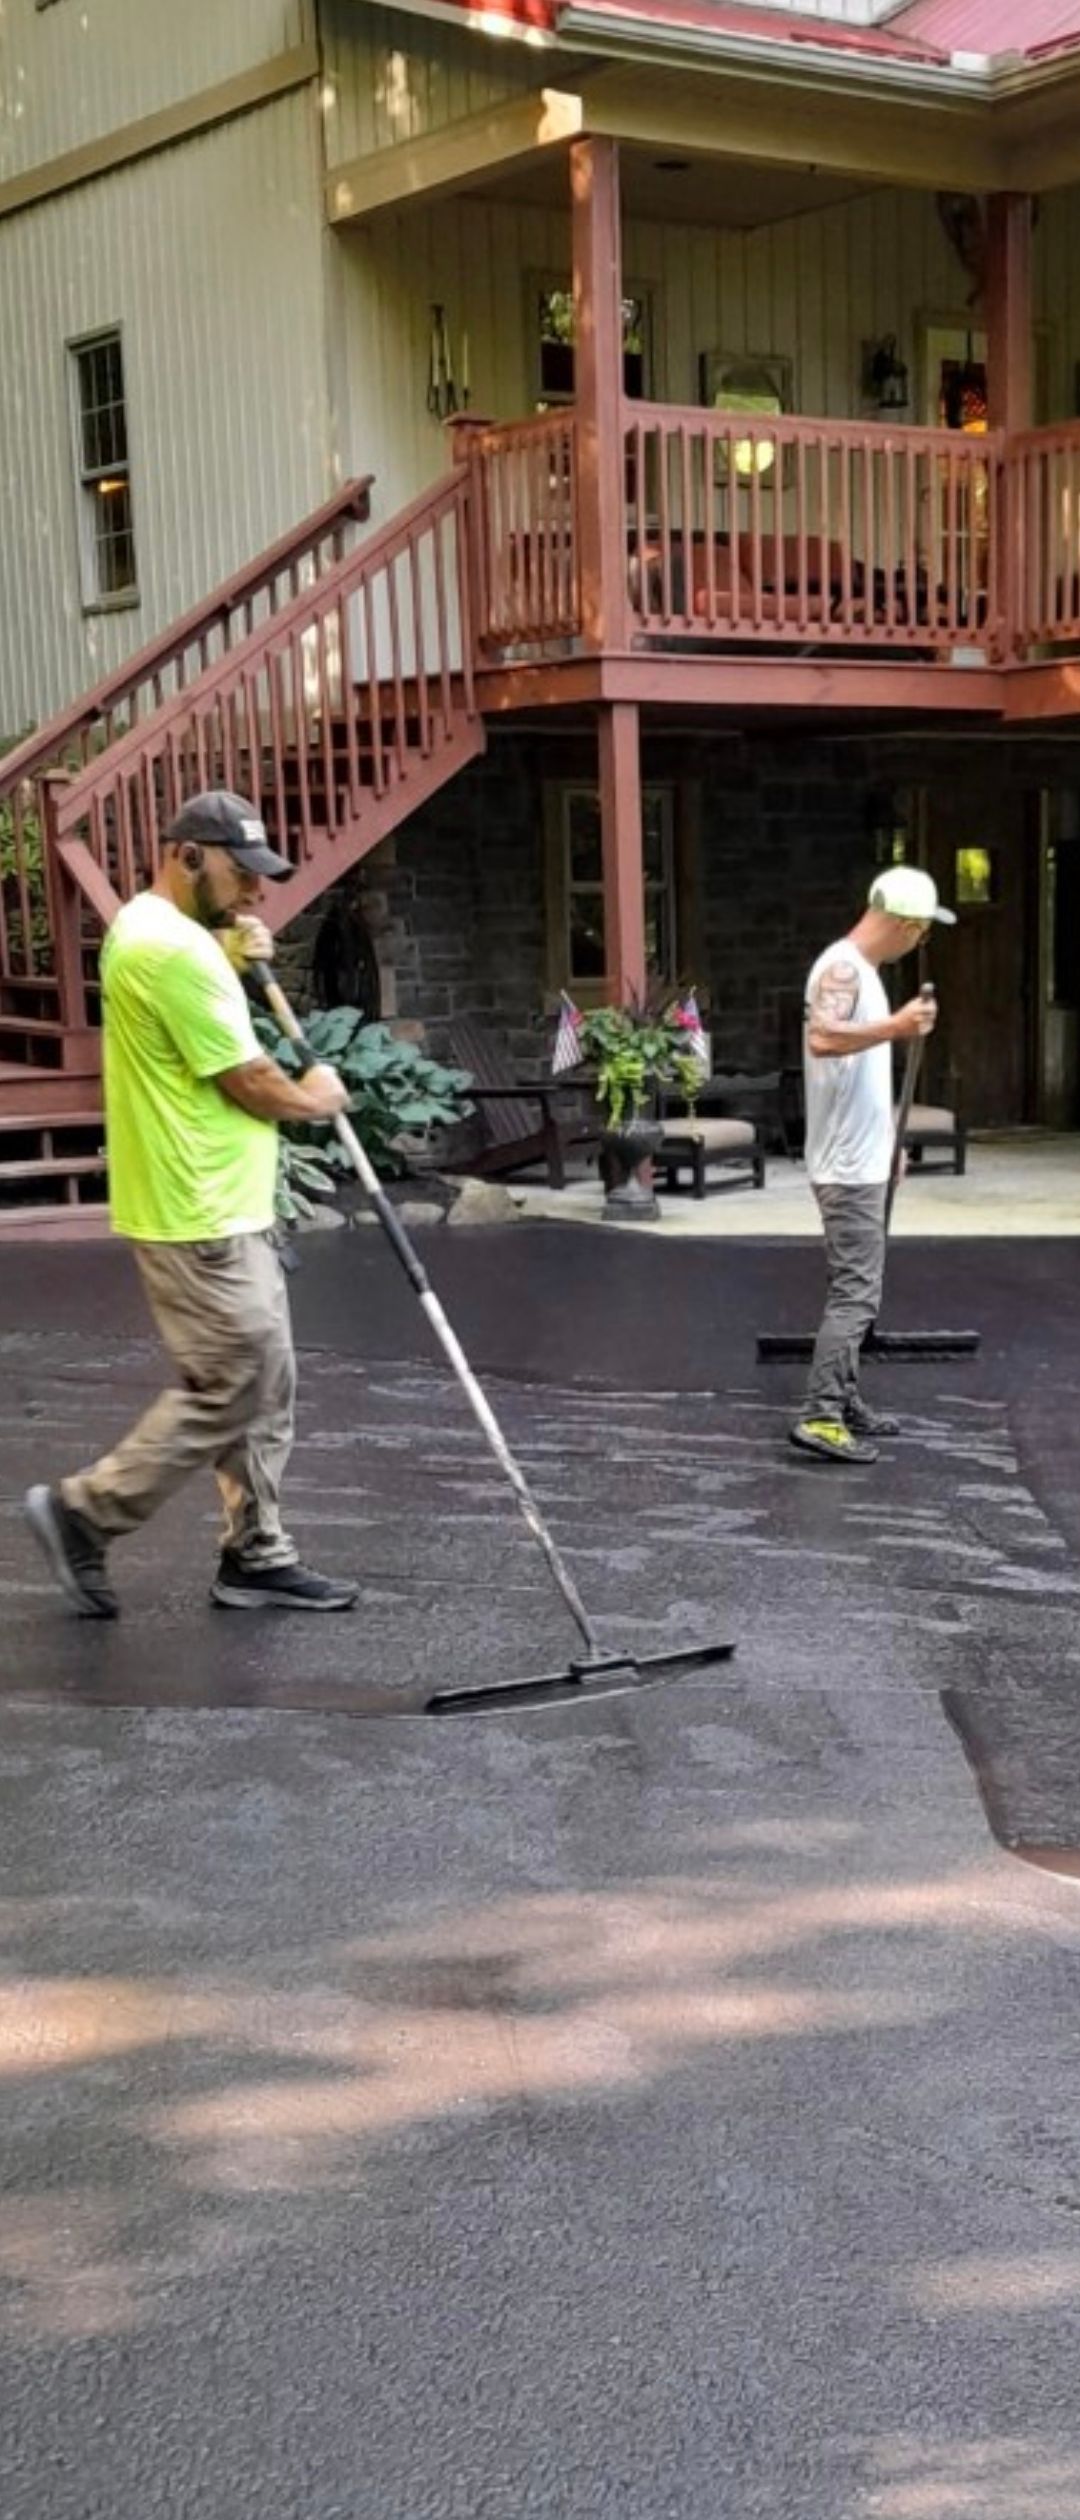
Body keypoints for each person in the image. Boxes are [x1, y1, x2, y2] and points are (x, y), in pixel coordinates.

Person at [25, 790, 359, 1618]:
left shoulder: (158, 930)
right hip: (196, 1212)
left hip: (224, 1203)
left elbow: (195, 985)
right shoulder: (173, 955)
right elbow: (247, 1082)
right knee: (234, 1384)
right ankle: (82, 1514)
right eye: (241, 874)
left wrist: (225, 945)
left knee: (265, 1380)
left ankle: (256, 1551)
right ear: (187, 856)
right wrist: (316, 1097)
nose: (256, 892)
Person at [790, 864, 956, 1467]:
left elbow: (861, 1071)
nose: (922, 942)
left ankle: (845, 1397)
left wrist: (889, 1140)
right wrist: (898, 1026)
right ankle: (821, 1415)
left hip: (864, 1157)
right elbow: (824, 1039)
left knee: (856, 1286)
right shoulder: (840, 968)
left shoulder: (865, 973)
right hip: (844, 1167)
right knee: (857, 1294)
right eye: (924, 932)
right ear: (908, 926)